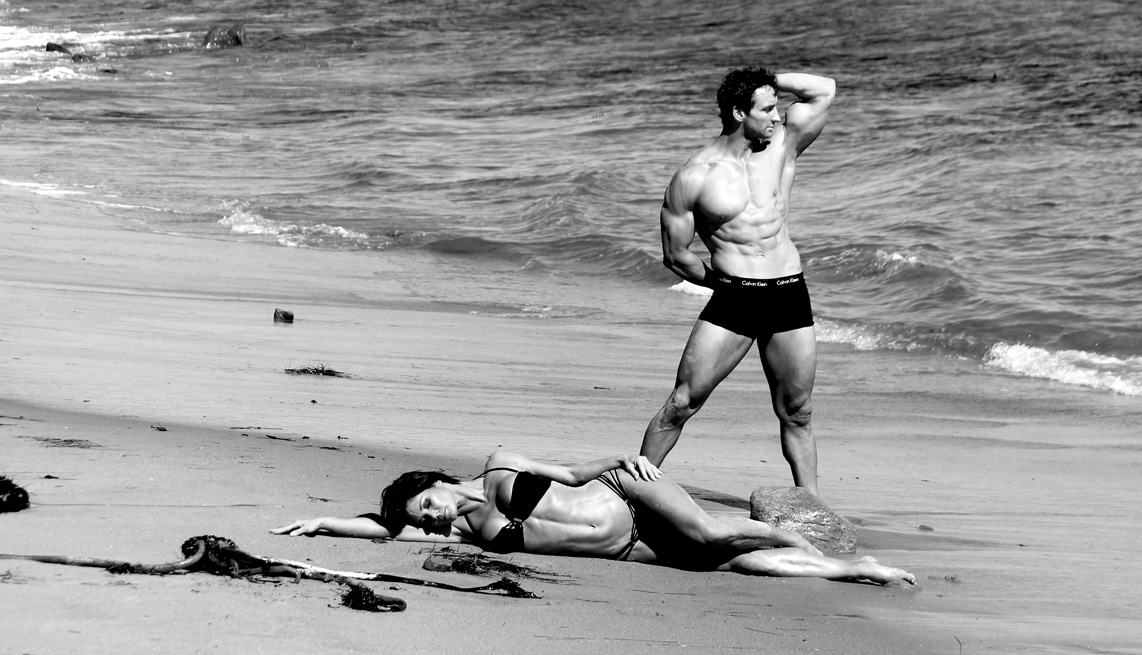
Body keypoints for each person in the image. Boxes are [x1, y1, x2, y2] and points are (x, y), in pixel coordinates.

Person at [272, 450, 914, 584]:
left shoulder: (499, 465)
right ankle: (854, 568)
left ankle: (789, 530)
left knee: (713, 531)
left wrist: (622, 460)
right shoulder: (466, 530)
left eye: (428, 505)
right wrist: (322, 525)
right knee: (739, 566)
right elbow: (384, 529)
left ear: (436, 483)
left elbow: (575, 475)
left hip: (626, 493)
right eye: (426, 520)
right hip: (629, 548)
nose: (434, 521)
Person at [641, 66, 836, 493]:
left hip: (788, 293)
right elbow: (676, 255)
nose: (778, 117)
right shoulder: (695, 176)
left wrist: (763, 80)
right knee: (682, 402)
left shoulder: (782, 146)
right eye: (767, 109)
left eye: (777, 108)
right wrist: (724, 286)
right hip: (735, 298)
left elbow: (824, 90)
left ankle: (812, 507)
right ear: (737, 112)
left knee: (798, 411)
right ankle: (634, 493)